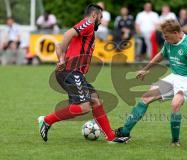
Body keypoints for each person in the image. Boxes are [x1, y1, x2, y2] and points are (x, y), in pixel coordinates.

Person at [37, 4, 129, 144]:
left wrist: (61, 59)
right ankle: (46, 120)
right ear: (94, 15)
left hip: (76, 73)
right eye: (101, 17)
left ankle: (111, 137)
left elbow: (58, 45)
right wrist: (62, 60)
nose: (101, 20)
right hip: (71, 71)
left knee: (96, 101)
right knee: (84, 107)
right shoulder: (89, 23)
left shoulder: (89, 29)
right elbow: (68, 34)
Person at [115, 19, 187, 147]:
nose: (165, 39)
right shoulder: (169, 42)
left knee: (175, 104)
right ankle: (125, 132)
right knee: (146, 97)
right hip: (175, 76)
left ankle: (175, 141)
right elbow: (160, 55)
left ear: (176, 32)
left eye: (167, 36)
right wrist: (145, 69)